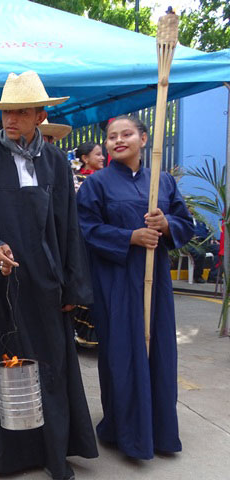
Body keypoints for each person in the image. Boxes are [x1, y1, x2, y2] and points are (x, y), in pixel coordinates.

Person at [0, 71, 98, 480]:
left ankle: (54, 452)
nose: (10, 119)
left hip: (46, 285)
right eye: (6, 112)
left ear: (40, 116)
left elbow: (69, 227)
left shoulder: (56, 162)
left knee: (51, 366)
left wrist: (72, 286)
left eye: (20, 112)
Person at [76, 115, 193, 460]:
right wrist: (130, 237)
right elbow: (85, 229)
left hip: (156, 283)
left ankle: (160, 431)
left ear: (143, 139)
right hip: (115, 281)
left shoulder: (164, 182)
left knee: (159, 351)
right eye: (112, 137)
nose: (118, 140)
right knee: (122, 354)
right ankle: (125, 431)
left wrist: (166, 223)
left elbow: (186, 224)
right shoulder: (97, 184)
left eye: (126, 134)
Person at [71, 141, 106, 348]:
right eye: (98, 154)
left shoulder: (106, 179)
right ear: (85, 158)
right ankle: (84, 335)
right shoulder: (77, 180)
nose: (102, 158)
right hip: (85, 241)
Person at [185, 210, 220, 283]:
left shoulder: (200, 221)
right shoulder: (183, 221)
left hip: (205, 242)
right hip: (192, 243)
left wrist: (212, 239)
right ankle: (197, 276)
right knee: (200, 253)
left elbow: (208, 232)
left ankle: (213, 276)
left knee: (221, 250)